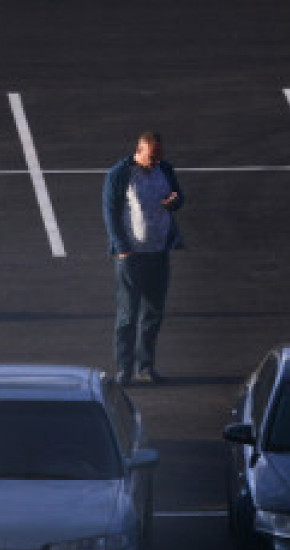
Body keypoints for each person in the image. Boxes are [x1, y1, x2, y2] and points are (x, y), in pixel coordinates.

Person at [102, 131, 185, 384]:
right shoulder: (120, 175)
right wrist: (121, 247)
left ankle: (146, 367)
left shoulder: (165, 170)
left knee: (153, 313)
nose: (156, 161)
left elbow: (179, 198)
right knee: (128, 314)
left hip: (158, 253)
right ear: (139, 150)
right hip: (131, 256)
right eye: (152, 156)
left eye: (160, 155)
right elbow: (110, 212)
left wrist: (175, 201)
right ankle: (124, 369)